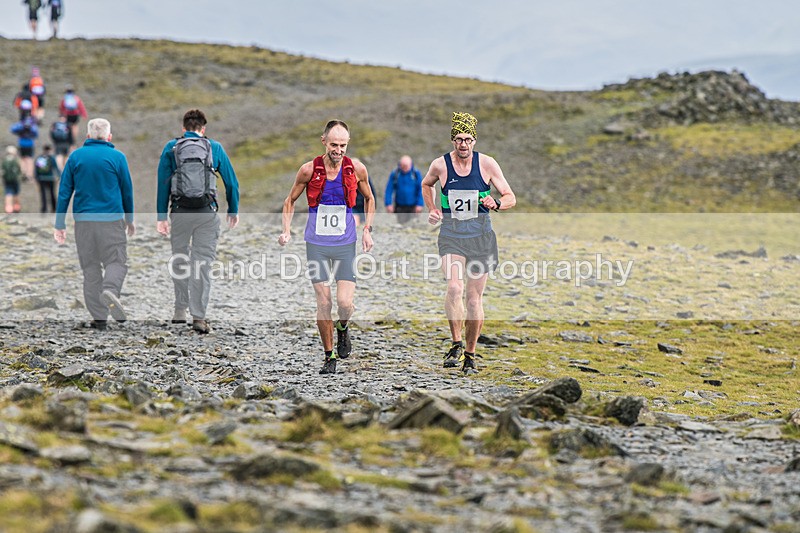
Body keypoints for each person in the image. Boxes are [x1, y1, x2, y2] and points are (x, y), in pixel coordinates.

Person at [278, 119, 374, 375]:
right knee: (324, 302)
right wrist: (286, 230)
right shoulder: (308, 170)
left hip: (345, 244)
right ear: (324, 142)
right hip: (316, 245)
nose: (338, 150)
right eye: (334, 145)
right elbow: (290, 200)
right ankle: (329, 355)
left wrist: (367, 229)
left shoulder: (357, 169)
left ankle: (343, 326)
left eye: (343, 145)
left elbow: (369, 198)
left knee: (344, 303)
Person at [421, 112, 516, 373]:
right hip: (452, 236)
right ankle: (456, 343)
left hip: (481, 238)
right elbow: (426, 184)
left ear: (474, 140)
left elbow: (510, 196)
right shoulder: (440, 165)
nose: (463, 144)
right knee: (454, 288)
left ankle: (470, 355)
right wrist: (432, 208)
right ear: (453, 140)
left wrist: (497, 203)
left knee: (474, 300)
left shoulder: (487, 164)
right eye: (459, 139)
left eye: (468, 139)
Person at [156, 109, 240, 334]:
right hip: (206, 213)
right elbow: (231, 183)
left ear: (183, 129)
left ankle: (179, 309)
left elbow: (163, 184)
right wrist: (233, 209)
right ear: (203, 129)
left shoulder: (171, 147)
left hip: (180, 212)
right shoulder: (214, 147)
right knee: (202, 263)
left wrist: (161, 217)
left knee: (180, 258)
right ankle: (199, 317)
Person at [54, 118, 135, 331]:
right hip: (111, 221)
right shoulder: (118, 157)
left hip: (84, 223)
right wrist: (130, 219)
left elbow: (64, 192)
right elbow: (127, 191)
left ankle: (99, 319)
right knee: (116, 261)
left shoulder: (75, 157)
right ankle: (110, 290)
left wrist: (59, 223)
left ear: (88, 136)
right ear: (109, 136)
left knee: (90, 268)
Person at [385, 155, 424, 224]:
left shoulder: (415, 174)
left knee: (413, 224)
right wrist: (388, 203)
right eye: (403, 166)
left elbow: (421, 190)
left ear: (411, 165)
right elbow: (389, 189)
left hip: (413, 205)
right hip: (400, 205)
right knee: (401, 224)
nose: (405, 168)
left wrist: (420, 204)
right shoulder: (395, 174)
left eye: (406, 166)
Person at [10, 115, 39, 182]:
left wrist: (21, 129)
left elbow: (13, 129)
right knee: (29, 159)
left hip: (21, 143)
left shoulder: (21, 124)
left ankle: (23, 172)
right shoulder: (32, 124)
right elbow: (36, 134)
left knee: (22, 159)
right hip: (30, 144)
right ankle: (29, 175)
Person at [34, 144, 59, 213]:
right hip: (50, 178)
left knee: (43, 194)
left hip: (41, 178)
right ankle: (54, 208)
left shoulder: (39, 158)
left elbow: (36, 169)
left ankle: (44, 209)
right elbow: (55, 167)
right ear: (50, 150)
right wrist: (59, 175)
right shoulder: (51, 158)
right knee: (52, 193)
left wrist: (36, 177)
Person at [2, 146, 23, 214]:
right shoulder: (16, 160)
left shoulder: (4, 161)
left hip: (6, 180)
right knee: (16, 193)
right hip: (15, 179)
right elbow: (20, 170)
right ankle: (16, 207)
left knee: (8, 193)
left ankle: (8, 208)